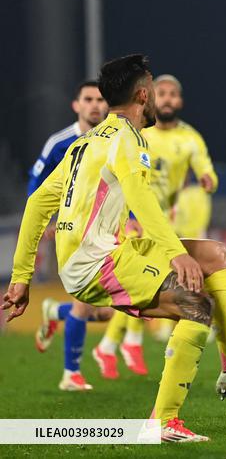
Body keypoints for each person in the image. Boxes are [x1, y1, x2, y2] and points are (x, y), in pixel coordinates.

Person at [3, 54, 226, 442]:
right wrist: (175, 252)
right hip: (96, 262)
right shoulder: (127, 138)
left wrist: (21, 279)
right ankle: (162, 422)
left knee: (215, 255)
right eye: (153, 90)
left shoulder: (85, 142)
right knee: (196, 306)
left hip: (105, 249)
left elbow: (37, 203)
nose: (155, 97)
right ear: (142, 95)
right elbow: (141, 197)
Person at [92, 74, 218, 377]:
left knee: (149, 281)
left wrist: (208, 178)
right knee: (146, 281)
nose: (167, 98)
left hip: (163, 223)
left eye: (173, 94)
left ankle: (113, 344)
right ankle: (120, 343)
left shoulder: (190, 138)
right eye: (161, 92)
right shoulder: (138, 134)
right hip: (133, 217)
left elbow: (205, 167)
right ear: (149, 97)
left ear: (180, 101)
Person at [30, 80, 115, 392]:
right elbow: (36, 182)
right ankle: (71, 375)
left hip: (102, 232)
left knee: (105, 313)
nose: (95, 105)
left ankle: (54, 311)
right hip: (72, 232)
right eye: (88, 99)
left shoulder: (112, 140)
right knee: (82, 305)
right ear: (76, 105)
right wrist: (45, 220)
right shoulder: (59, 142)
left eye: (100, 99)